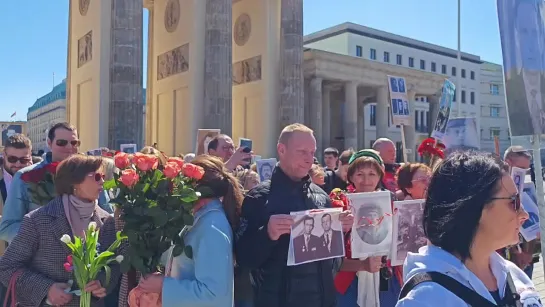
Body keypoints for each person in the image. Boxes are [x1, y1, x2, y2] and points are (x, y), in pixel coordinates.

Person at [397, 152, 540, 306]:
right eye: (514, 202)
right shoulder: (427, 298)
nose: (524, 214)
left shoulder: (513, 274)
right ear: (474, 207)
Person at [235, 123, 353, 307]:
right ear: (281, 150)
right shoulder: (259, 197)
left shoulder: (321, 196)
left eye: (312, 152)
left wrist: (341, 230)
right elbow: (243, 258)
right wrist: (267, 234)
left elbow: (332, 262)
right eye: (302, 152)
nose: (309, 159)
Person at [0, 155, 122, 306]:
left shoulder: (106, 221)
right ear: (74, 183)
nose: (102, 181)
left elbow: (114, 265)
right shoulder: (38, 220)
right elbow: (7, 267)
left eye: (103, 176)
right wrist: (46, 289)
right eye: (96, 176)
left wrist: (102, 283)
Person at [129, 155, 243, 307]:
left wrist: (164, 285)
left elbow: (214, 295)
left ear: (193, 187)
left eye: (181, 183)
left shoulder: (212, 227)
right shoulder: (200, 219)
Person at [0, 122, 112, 244]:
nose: (69, 147)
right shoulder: (25, 176)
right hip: (42, 258)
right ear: (49, 143)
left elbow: (107, 215)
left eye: (74, 143)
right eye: (62, 143)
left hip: (87, 254)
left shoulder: (93, 174)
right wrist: (41, 237)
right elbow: (7, 227)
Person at [503, 145, 541, 279]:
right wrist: (515, 251)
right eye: (521, 169)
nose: (524, 173)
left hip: (528, 255)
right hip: (507, 257)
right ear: (508, 163)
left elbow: (533, 218)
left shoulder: (527, 186)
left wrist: (528, 253)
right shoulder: (498, 188)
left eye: (527, 169)